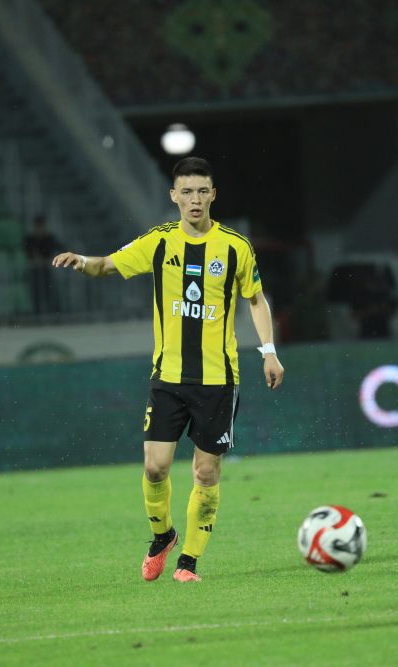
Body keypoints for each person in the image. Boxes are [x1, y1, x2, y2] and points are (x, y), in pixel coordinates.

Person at [52, 157, 285, 582]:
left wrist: (268, 351)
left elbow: (255, 298)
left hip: (218, 379)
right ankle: (163, 535)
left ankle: (188, 562)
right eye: (187, 191)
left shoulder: (235, 246)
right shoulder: (159, 242)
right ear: (174, 196)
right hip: (169, 377)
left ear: (213, 195)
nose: (195, 199)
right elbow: (107, 265)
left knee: (206, 472)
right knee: (155, 467)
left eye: (202, 191)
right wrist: (81, 260)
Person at [24, 215, 62, 315]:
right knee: (36, 294)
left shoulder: (49, 238)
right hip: (34, 271)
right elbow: (28, 251)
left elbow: (61, 248)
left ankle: (53, 314)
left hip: (46, 270)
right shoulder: (29, 239)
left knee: (50, 292)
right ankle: (37, 315)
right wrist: (36, 259)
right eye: (39, 226)